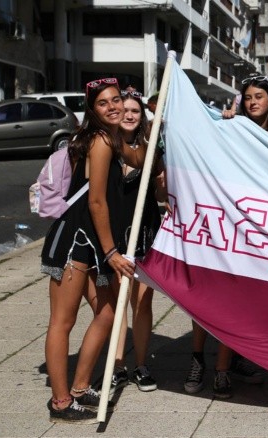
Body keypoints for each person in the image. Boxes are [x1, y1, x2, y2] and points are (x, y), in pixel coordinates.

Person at [40, 77, 137, 424]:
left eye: (116, 101)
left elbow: (139, 157)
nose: (112, 107)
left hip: (91, 245)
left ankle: (81, 387)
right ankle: (61, 402)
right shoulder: (98, 141)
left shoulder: (112, 139)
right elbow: (96, 202)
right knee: (62, 322)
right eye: (103, 103)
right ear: (92, 110)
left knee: (109, 312)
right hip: (74, 243)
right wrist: (112, 252)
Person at [186, 76, 268, 399]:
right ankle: (198, 360)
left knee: (239, 301)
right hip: (225, 223)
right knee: (209, 295)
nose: (253, 102)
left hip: (260, 229)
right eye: (248, 97)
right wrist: (221, 125)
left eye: (259, 96)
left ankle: (226, 366)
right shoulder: (231, 127)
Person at [110, 89, 164, 392]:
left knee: (142, 304)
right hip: (116, 235)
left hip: (145, 232)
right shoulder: (106, 146)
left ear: (142, 117)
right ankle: (117, 366)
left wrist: (162, 184)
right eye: (124, 110)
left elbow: (160, 196)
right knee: (118, 302)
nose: (129, 115)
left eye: (135, 111)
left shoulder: (152, 149)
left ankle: (141, 365)